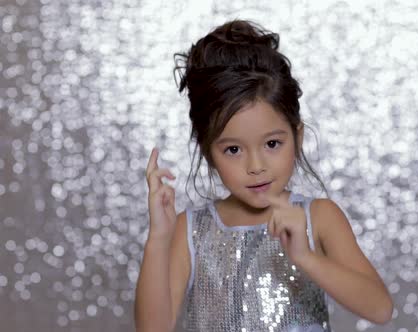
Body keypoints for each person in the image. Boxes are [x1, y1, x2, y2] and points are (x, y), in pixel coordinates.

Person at [134, 19, 394, 332]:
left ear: (296, 138)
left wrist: (306, 258)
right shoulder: (189, 231)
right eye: (233, 150)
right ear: (207, 152)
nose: (256, 165)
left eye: (272, 144)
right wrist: (158, 238)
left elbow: (380, 309)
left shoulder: (319, 218)